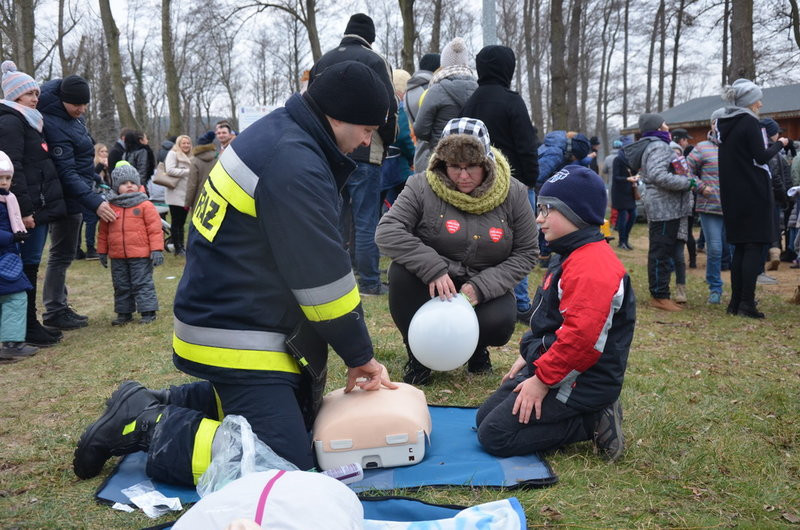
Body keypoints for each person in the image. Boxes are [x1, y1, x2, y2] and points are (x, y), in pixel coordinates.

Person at [73, 60, 396, 485]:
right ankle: (146, 425)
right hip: (238, 331)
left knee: (296, 417)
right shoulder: (294, 162)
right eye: (367, 130)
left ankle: (154, 401)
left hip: (234, 312)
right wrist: (361, 357)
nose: (365, 141)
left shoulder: (281, 132)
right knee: (281, 463)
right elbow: (323, 283)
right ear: (338, 116)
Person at [475, 164, 635, 462]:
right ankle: (567, 404)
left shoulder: (592, 268)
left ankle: (593, 419)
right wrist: (529, 356)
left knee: (495, 436)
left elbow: (581, 342)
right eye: (540, 208)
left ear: (576, 213)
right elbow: (549, 320)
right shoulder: (569, 253)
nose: (539, 218)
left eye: (548, 209)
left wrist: (541, 381)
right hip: (555, 366)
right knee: (483, 417)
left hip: (582, 379)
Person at [376, 118, 539, 385]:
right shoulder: (420, 186)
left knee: (499, 323)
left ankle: (476, 348)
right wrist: (434, 269)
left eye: (472, 166)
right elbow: (387, 231)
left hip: (484, 283)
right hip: (432, 283)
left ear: (486, 162)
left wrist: (482, 286)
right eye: (454, 167)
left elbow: (527, 251)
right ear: (442, 163)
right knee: (401, 273)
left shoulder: (515, 193)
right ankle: (418, 354)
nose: (463, 176)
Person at [310, 13, 398, 296]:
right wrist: (386, 142)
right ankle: (370, 282)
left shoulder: (323, 61)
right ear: (370, 37)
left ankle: (337, 279)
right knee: (365, 219)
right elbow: (389, 108)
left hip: (328, 151)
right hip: (366, 152)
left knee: (335, 217)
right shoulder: (375, 60)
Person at [460, 44, 539, 323]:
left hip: (478, 186)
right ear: (509, 68)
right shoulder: (512, 101)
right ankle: (519, 302)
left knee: (486, 242)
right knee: (518, 245)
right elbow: (527, 145)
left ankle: (486, 293)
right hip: (514, 184)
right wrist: (530, 180)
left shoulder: (471, 102)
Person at [37, 73, 117, 330]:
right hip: (64, 197)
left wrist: (96, 179)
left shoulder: (73, 119)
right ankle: (54, 310)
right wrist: (94, 201)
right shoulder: (53, 122)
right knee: (61, 254)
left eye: (85, 105)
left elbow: (81, 160)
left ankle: (60, 304)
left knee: (66, 252)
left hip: (79, 193)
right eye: (76, 105)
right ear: (62, 100)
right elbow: (66, 171)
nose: (81, 109)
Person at [0, 60, 65, 347]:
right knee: (25, 268)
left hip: (37, 206)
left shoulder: (29, 120)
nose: (36, 99)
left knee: (31, 265)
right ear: (15, 96)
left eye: (37, 94)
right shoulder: (12, 122)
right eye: (30, 94)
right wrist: (25, 211)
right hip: (27, 210)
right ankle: (26, 327)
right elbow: (12, 168)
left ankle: (29, 323)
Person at [716, 79, 789, 318]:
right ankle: (747, 304)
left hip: (732, 195)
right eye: (758, 98)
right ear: (749, 101)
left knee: (739, 248)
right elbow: (761, 156)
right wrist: (779, 144)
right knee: (755, 246)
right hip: (753, 192)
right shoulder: (748, 121)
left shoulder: (724, 124)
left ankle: (736, 303)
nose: (760, 102)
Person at [635, 113, 697, 311]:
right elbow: (658, 175)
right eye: (664, 124)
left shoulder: (656, 145)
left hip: (667, 208)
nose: (668, 127)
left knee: (663, 251)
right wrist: (688, 183)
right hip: (663, 208)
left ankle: (661, 293)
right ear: (656, 127)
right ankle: (659, 296)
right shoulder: (659, 146)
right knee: (660, 252)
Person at [96, 162, 164, 325]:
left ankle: (148, 311)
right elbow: (103, 232)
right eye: (125, 183)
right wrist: (102, 251)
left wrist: (156, 249)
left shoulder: (145, 205)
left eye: (132, 183)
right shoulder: (110, 207)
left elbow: (155, 229)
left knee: (142, 283)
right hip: (118, 255)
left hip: (140, 255)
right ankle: (124, 312)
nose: (129, 186)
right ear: (116, 186)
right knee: (121, 284)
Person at [412, 37, 477, 171]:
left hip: (441, 160)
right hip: (472, 164)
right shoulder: (478, 90)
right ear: (466, 62)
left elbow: (420, 130)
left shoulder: (436, 90)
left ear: (443, 63)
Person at [0, 151, 38, 361]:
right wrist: (12, 237)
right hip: (4, 258)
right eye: (0, 178)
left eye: (7, 178)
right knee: (16, 298)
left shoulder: (7, 200)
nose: (5, 183)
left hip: (9, 256)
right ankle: (11, 344)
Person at [687, 118, 725, 304]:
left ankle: (742, 292)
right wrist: (701, 187)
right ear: (712, 125)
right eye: (716, 122)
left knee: (734, 250)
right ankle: (715, 288)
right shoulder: (702, 147)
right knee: (716, 249)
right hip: (710, 207)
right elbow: (686, 170)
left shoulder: (737, 146)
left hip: (735, 209)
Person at [380, 69, 415, 207]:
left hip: (382, 165)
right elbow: (402, 136)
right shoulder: (398, 107)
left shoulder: (382, 103)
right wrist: (412, 156)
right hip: (397, 168)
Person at [164, 135, 192, 256]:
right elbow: (169, 170)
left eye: (188, 143)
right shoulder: (173, 154)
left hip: (185, 192)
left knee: (182, 221)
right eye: (183, 143)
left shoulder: (191, 156)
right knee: (176, 221)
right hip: (175, 192)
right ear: (178, 144)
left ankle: (181, 246)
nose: (186, 145)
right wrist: (187, 172)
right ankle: (178, 247)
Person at [611, 143, 639, 251]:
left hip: (629, 192)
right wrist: (628, 179)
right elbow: (616, 177)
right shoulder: (618, 160)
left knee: (633, 215)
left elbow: (634, 172)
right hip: (620, 193)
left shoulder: (632, 161)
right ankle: (621, 241)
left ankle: (626, 239)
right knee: (623, 216)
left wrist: (636, 176)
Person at [184, 131, 217, 210]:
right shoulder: (217, 159)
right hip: (215, 199)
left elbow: (192, 185)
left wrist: (187, 203)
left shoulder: (195, 161)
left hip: (199, 199)